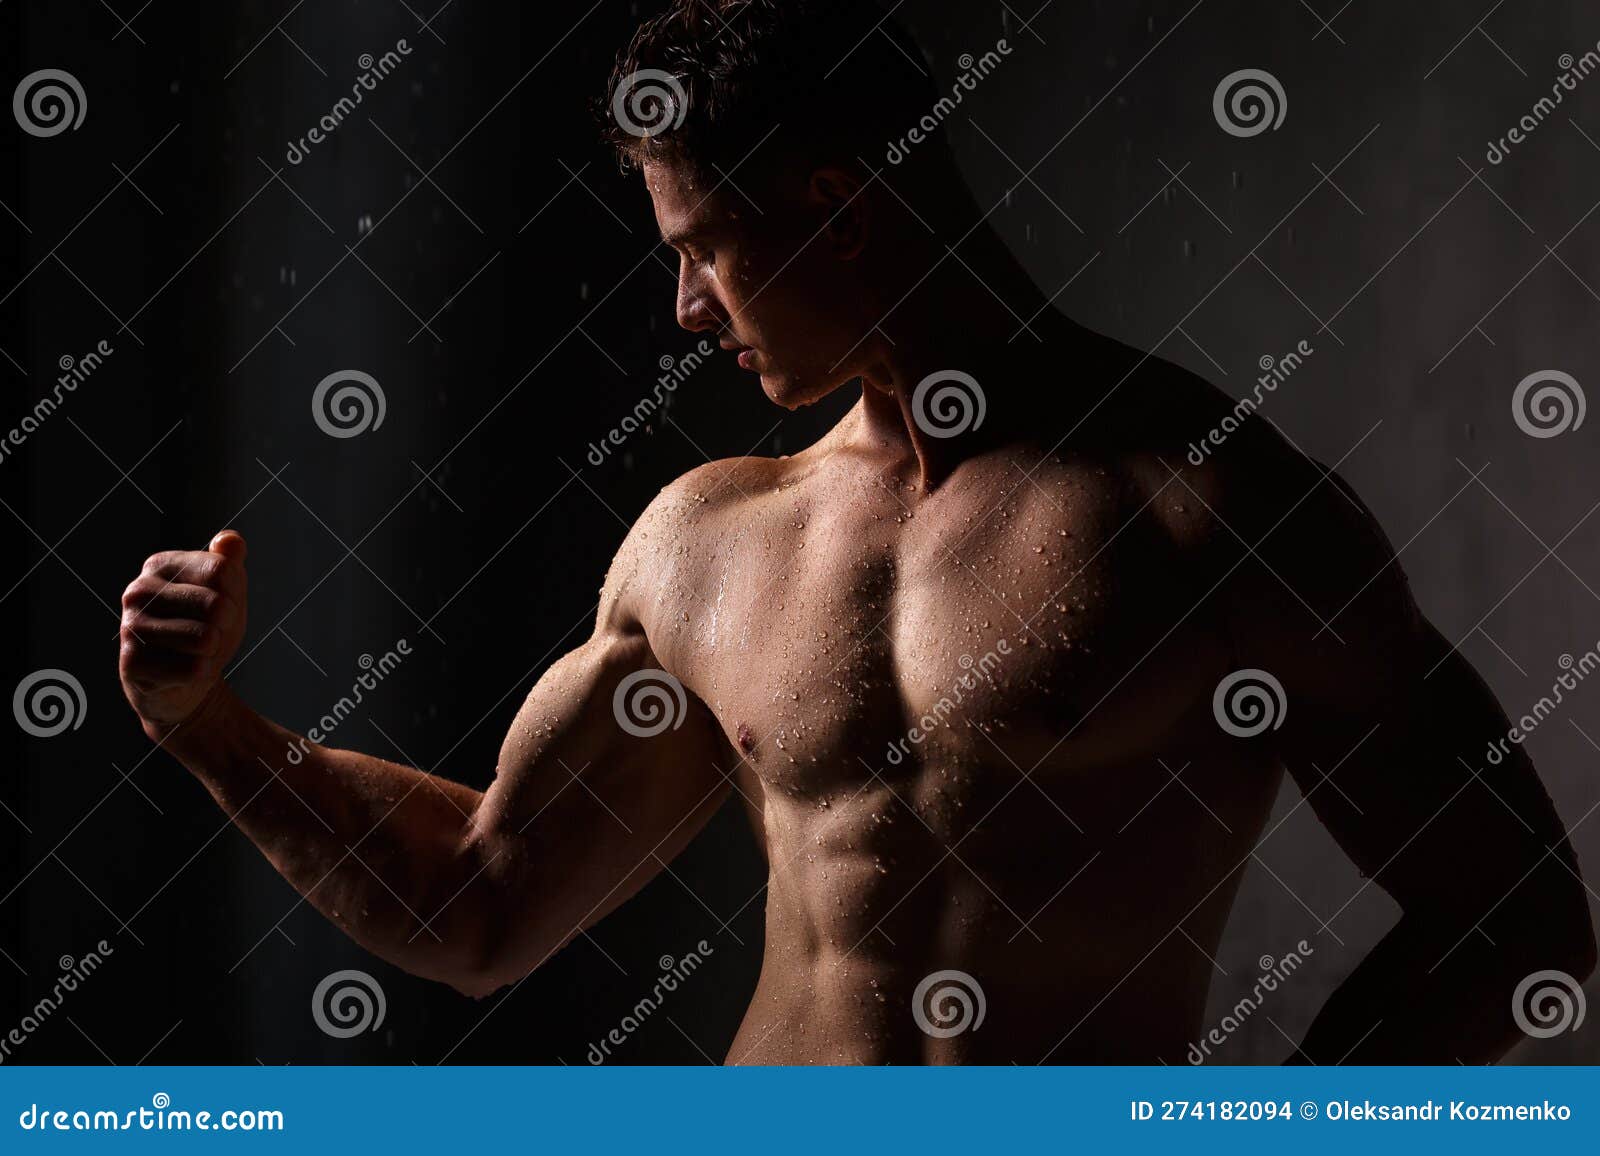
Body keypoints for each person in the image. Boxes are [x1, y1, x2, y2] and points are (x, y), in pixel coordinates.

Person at [118, 0, 1593, 1063]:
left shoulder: (1207, 509)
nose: (686, 312)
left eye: (702, 251)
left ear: (836, 203)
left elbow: (1514, 919)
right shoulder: (709, 540)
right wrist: (210, 725)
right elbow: (481, 904)